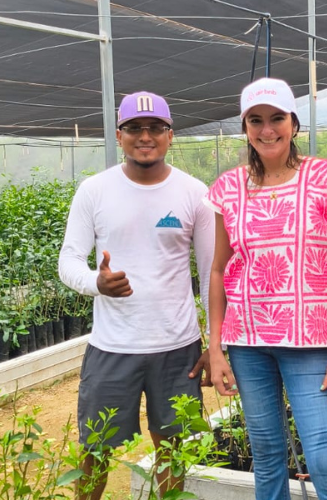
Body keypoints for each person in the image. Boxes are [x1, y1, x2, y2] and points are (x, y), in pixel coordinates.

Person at [205, 77, 327, 500]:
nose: (267, 129)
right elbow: (218, 270)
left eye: (277, 118)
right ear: (245, 127)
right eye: (256, 120)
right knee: (267, 452)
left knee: (326, 455)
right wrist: (216, 347)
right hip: (246, 341)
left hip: (309, 341)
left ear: (294, 123)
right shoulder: (228, 188)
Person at [57, 91, 214, 500]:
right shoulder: (94, 190)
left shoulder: (194, 193)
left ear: (170, 135)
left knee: (172, 450)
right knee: (95, 448)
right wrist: (97, 282)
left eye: (155, 128)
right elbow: (69, 259)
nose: (145, 136)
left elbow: (214, 274)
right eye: (134, 129)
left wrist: (215, 343)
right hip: (112, 346)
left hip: (177, 348)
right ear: (119, 134)